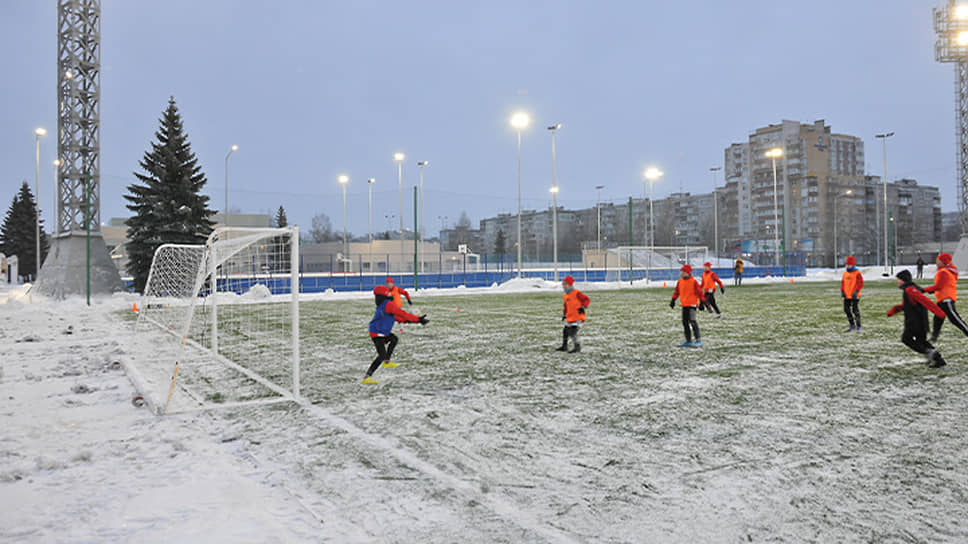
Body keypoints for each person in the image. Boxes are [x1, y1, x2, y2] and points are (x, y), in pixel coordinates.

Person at [363, 286, 428, 384]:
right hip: (377, 333)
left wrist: (416, 321)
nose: (390, 294)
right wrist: (417, 319)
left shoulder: (384, 305)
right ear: (383, 295)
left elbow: (397, 318)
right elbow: (402, 313)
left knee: (394, 339)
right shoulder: (388, 304)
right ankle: (367, 377)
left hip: (381, 331)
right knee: (381, 355)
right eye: (388, 293)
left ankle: (387, 362)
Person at [887, 270, 947, 368]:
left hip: (915, 322)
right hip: (921, 321)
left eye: (898, 279)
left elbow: (925, 301)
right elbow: (906, 304)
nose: (897, 281)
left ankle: (928, 352)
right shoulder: (909, 289)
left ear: (903, 280)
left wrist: (939, 312)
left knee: (906, 339)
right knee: (922, 341)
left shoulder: (910, 290)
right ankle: (939, 360)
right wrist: (894, 310)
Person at [926, 252, 968, 342]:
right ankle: (933, 338)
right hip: (942, 299)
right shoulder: (946, 270)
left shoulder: (944, 272)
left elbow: (939, 286)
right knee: (937, 318)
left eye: (938, 260)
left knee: (955, 319)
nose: (936, 261)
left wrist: (925, 290)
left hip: (946, 299)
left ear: (943, 261)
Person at [671, 264, 706, 347]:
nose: (681, 273)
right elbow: (677, 291)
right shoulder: (680, 281)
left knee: (693, 321)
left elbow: (700, 293)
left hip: (692, 305)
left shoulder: (693, 282)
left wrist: (702, 302)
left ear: (688, 272)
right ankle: (688, 340)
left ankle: (698, 340)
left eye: (683, 272)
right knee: (685, 323)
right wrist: (673, 300)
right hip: (684, 305)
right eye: (681, 272)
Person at [556, 275, 590, 353]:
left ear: (570, 284)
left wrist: (583, 307)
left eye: (565, 284)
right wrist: (564, 314)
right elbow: (566, 306)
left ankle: (577, 347)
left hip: (578, 316)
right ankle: (564, 346)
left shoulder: (576, 293)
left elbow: (586, 299)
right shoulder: (565, 295)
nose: (563, 286)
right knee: (565, 331)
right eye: (563, 284)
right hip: (570, 317)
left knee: (572, 332)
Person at [841, 255, 864, 332]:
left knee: (855, 310)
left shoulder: (857, 273)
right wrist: (842, 291)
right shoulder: (845, 273)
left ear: (853, 265)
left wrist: (857, 291)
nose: (847, 266)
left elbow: (860, 283)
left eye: (849, 264)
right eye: (846, 264)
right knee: (846, 309)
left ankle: (859, 326)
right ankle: (852, 324)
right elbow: (843, 283)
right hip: (847, 295)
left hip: (855, 295)